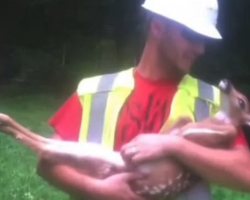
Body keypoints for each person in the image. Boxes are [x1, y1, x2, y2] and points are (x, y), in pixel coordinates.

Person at [36, 0, 250, 199]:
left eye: (203, 40)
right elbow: (47, 162)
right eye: (191, 35)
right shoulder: (96, 91)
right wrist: (98, 190)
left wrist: (174, 145)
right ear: (157, 27)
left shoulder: (213, 101)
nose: (200, 49)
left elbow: (245, 174)